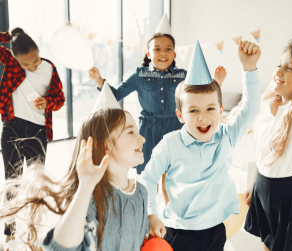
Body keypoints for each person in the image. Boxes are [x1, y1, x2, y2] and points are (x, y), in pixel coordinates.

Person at [140, 39, 261, 251]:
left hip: (215, 229)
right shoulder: (170, 143)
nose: (203, 118)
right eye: (193, 110)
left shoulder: (226, 136)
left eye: (210, 109)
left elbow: (250, 111)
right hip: (179, 231)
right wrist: (152, 214)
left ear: (221, 110)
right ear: (180, 115)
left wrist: (249, 69)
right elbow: (148, 177)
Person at [0, 109, 149, 251]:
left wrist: (151, 221)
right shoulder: (91, 197)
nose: (142, 138)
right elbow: (63, 249)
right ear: (104, 146)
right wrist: (86, 186)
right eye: (131, 132)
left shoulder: (141, 192)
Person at [88, 33, 227, 177]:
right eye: (157, 49)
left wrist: (217, 82)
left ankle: (169, 199)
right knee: (148, 170)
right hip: (149, 129)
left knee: (174, 169)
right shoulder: (139, 75)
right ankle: (148, 199)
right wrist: (98, 80)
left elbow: (202, 95)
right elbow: (116, 95)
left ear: (174, 54)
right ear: (148, 54)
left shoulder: (183, 75)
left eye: (168, 49)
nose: (163, 53)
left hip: (175, 126)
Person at [0, 27, 65, 248]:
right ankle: (9, 235)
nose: (32, 66)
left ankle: (33, 230)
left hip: (38, 131)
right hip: (12, 129)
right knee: (12, 183)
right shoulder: (11, 64)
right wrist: (9, 38)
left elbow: (60, 98)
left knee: (36, 185)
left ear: (39, 51)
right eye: (26, 64)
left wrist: (48, 102)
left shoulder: (49, 68)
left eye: (35, 60)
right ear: (16, 59)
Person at [244, 40, 292, 251]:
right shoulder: (267, 107)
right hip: (264, 189)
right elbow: (263, 151)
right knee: (268, 242)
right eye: (279, 64)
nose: (279, 70)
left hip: (291, 195)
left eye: (289, 67)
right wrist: (254, 181)